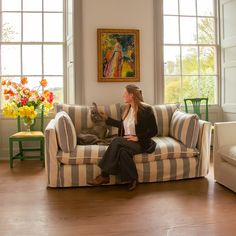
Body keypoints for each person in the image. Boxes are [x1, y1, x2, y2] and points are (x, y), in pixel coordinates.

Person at [87, 84, 158, 190]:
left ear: (131, 95)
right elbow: (122, 125)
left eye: (125, 93)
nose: (123, 95)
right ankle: (133, 179)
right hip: (128, 141)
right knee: (122, 152)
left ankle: (104, 176)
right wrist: (106, 118)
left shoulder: (146, 109)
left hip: (141, 143)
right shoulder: (128, 109)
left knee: (116, 141)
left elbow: (154, 131)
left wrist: (138, 137)